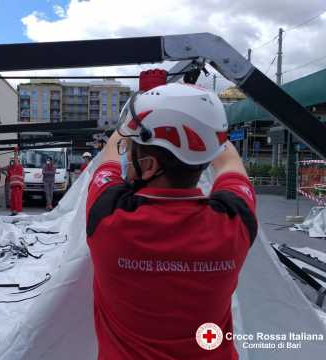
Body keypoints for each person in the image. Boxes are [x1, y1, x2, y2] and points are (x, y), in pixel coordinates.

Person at [86, 81, 257, 359]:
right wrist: (200, 117)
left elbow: (108, 156)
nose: (126, 155)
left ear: (150, 165)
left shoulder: (109, 218)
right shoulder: (234, 224)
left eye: (132, 149)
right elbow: (228, 163)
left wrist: (136, 119)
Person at [9, 148, 24, 216]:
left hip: (17, 187)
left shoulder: (18, 167)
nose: (13, 162)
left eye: (14, 161)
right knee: (13, 199)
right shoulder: (11, 168)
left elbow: (15, 159)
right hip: (14, 187)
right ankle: (14, 211)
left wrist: (15, 152)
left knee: (16, 199)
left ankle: (16, 211)